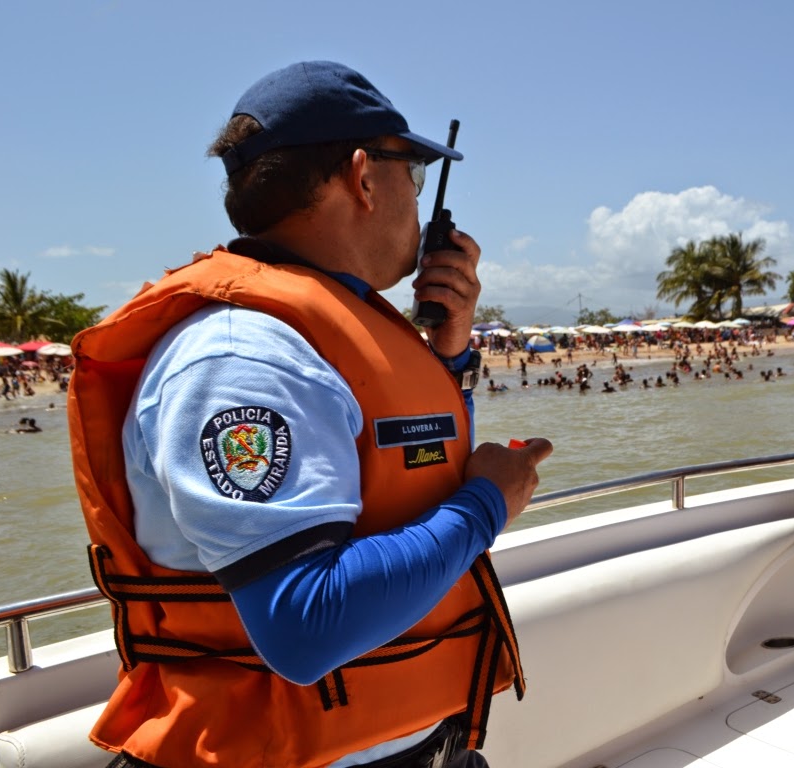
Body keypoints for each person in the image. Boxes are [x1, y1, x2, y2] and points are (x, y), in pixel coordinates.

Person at [67, 61, 553, 768]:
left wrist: (445, 361)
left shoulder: (317, 335)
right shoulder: (244, 357)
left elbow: (394, 483)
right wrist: (488, 503)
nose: (416, 200)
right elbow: (306, 624)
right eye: (410, 174)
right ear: (362, 176)